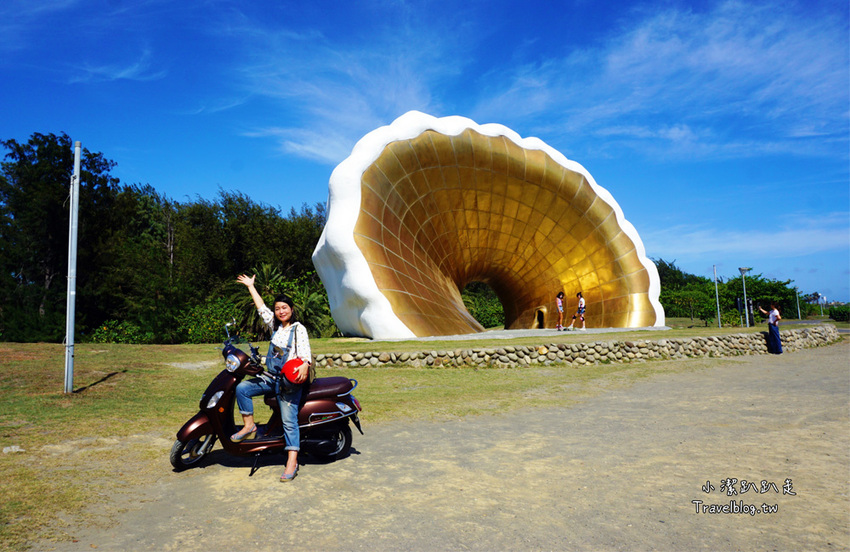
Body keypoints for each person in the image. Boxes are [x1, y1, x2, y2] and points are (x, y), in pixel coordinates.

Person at [233, 273, 311, 482]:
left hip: (288, 383)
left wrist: (305, 364)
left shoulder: (298, 329)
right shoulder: (275, 327)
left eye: (284, 307)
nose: (281, 311)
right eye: (277, 308)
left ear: (291, 309)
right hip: (271, 377)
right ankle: (249, 425)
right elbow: (261, 309)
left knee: (289, 422)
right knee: (242, 389)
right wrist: (251, 286)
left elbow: (305, 354)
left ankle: (292, 461)